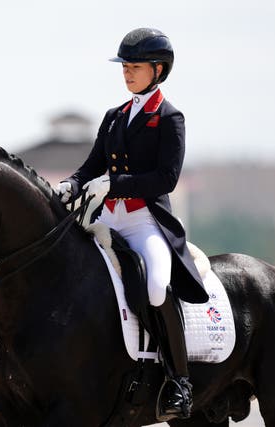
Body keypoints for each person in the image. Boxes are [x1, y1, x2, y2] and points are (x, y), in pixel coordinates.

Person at [56, 28, 209, 421]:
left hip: (143, 220)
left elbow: (166, 178)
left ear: (158, 70)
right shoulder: (115, 117)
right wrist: (70, 185)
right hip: (107, 216)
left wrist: (117, 183)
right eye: (124, 66)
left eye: (134, 66)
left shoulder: (169, 117)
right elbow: (91, 165)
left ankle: (179, 381)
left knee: (156, 287)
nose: (127, 73)